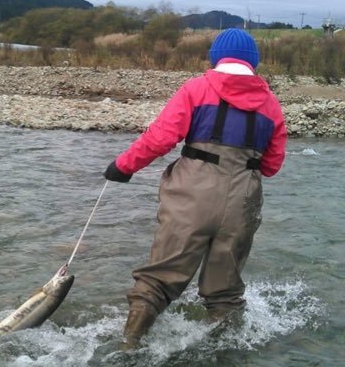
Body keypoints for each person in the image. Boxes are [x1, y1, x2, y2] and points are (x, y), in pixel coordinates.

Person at [104, 28, 287, 349]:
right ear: (254, 63)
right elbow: (272, 167)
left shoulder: (196, 89)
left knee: (158, 280)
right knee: (225, 293)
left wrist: (123, 166)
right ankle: (221, 351)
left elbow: (160, 138)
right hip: (243, 204)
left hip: (191, 198)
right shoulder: (271, 105)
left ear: (216, 58)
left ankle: (129, 346)